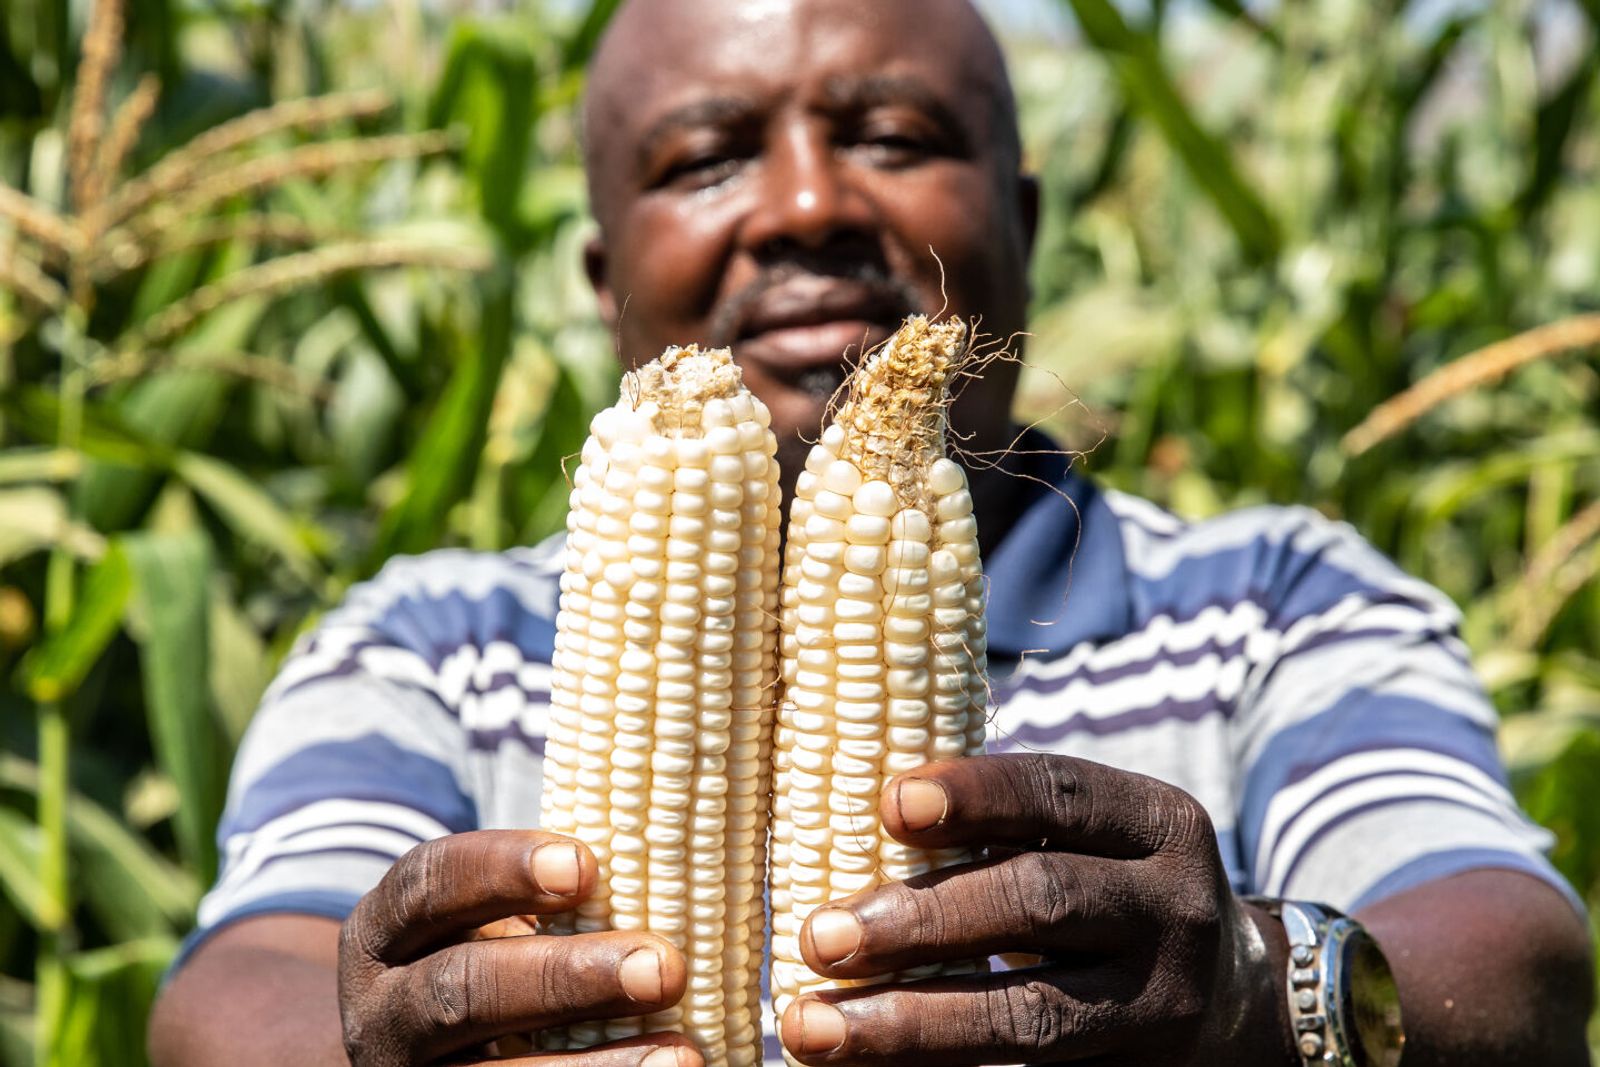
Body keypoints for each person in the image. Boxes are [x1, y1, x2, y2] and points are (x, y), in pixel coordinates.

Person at [148, 1, 1595, 1064]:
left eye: (894, 139)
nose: (807, 205)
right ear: (605, 277)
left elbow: (1512, 960)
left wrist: (1258, 983)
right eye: (706, 160)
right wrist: (369, 1029)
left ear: (1020, 222)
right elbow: (236, 994)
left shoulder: (1278, 604)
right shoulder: (425, 646)